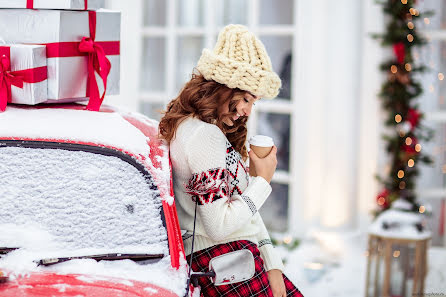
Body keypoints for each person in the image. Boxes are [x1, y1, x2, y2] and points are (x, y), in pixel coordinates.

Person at [159, 24, 303, 297]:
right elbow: (218, 226)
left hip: (236, 256)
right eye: (246, 98)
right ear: (223, 88)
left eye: (254, 102)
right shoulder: (204, 136)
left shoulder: (202, 130)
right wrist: (262, 181)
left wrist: (273, 266)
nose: (247, 111)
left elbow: (242, 212)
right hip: (226, 262)